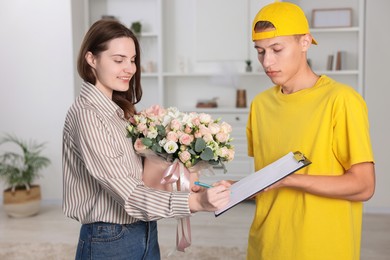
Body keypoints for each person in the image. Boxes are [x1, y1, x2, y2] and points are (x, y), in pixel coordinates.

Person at [62, 19, 231, 259]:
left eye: (132, 60)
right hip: (109, 239)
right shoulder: (88, 115)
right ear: (92, 59)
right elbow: (129, 194)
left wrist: (189, 183)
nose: (130, 69)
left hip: (145, 228)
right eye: (119, 60)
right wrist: (195, 202)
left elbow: (140, 177)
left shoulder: (118, 112)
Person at [245, 2, 375, 260]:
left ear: (305, 42)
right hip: (266, 244)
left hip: (321, 247)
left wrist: (291, 180)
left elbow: (364, 185)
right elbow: (267, 180)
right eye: (260, 52)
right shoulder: (260, 104)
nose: (267, 61)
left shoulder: (342, 100)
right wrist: (233, 189)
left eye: (277, 49)